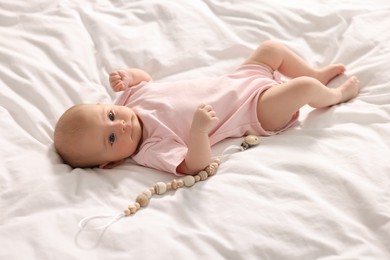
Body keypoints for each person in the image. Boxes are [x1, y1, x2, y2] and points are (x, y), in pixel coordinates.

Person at [53, 40, 359, 175]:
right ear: (111, 164)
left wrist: (129, 76)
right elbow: (194, 165)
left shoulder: (128, 101)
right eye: (111, 139)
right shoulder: (151, 148)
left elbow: (146, 80)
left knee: (272, 49)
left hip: (241, 78)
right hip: (254, 109)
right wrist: (199, 130)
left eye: (109, 116)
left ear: (106, 105)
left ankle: (315, 73)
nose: (119, 125)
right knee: (301, 90)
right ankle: (334, 96)